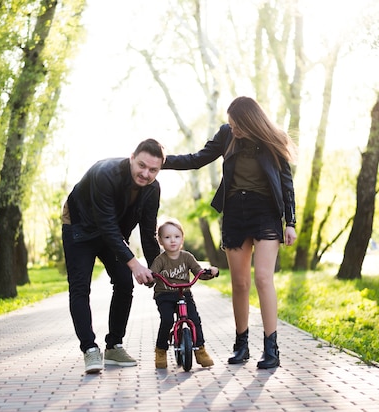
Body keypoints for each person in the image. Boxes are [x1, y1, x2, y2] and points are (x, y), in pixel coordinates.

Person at [163, 96, 297, 369]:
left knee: (262, 278)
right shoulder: (227, 135)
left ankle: (271, 349)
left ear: (250, 122)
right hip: (235, 213)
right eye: (230, 125)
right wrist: (160, 162)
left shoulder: (273, 139)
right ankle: (242, 345)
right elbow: (198, 159)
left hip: (265, 213)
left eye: (236, 125)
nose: (232, 129)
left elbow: (286, 182)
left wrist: (290, 222)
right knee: (239, 283)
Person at [61, 139, 165, 374]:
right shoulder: (105, 173)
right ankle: (89, 349)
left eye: (153, 170)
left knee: (124, 282)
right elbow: (106, 225)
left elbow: (148, 232)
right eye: (141, 166)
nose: (146, 174)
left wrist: (158, 270)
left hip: (112, 233)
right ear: (131, 157)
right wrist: (134, 264)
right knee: (79, 288)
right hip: (80, 227)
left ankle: (114, 347)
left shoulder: (152, 189)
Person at [148, 219, 218, 369]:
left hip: (184, 293)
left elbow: (199, 272)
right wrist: (148, 278)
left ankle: (200, 350)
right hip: (164, 295)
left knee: (194, 319)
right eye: (167, 237)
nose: (172, 240)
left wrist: (210, 272)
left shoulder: (187, 257)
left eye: (176, 236)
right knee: (167, 320)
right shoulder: (160, 260)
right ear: (160, 241)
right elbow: (151, 276)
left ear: (182, 238)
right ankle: (161, 350)